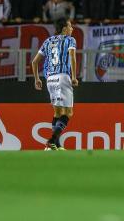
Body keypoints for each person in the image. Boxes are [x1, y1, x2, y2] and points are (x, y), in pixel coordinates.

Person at [31, 18, 79, 150]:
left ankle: (55, 145)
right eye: (70, 26)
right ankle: (51, 141)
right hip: (63, 76)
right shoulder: (70, 40)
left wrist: (37, 79)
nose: (72, 29)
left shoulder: (48, 41)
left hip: (50, 79)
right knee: (68, 113)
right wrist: (74, 77)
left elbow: (34, 62)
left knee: (57, 113)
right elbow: (72, 56)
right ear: (64, 28)